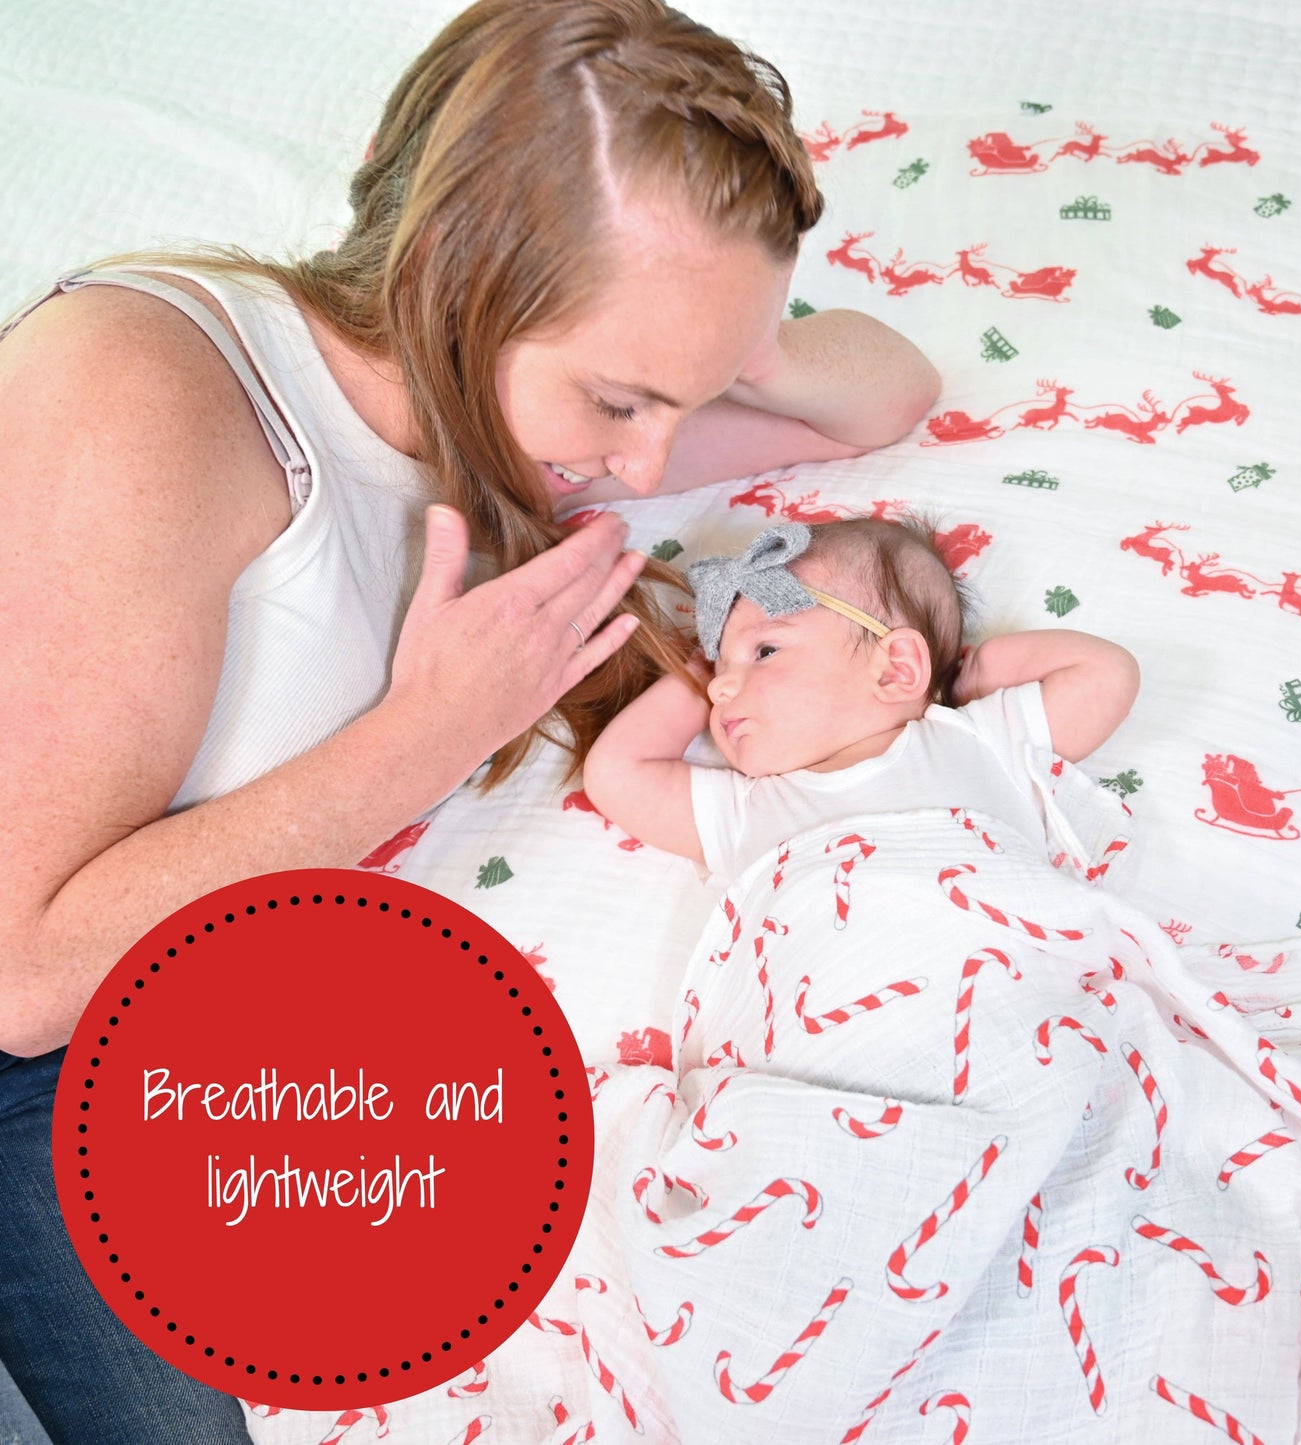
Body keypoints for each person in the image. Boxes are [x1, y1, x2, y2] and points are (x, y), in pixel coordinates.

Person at [0, 2, 940, 1440]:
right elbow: (22, 977)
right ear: (455, 266)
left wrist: (701, 331)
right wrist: (426, 736)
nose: (645, 461)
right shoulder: (142, 391)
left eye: (670, 407)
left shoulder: (486, 421)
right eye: (619, 398)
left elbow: (882, 394)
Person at [582, 518, 1140, 876]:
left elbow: (1104, 673)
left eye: (767, 651)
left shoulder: (975, 740)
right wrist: (693, 673)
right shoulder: (747, 810)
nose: (719, 689)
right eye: (718, 669)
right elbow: (616, 773)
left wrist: (971, 675)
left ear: (897, 668)